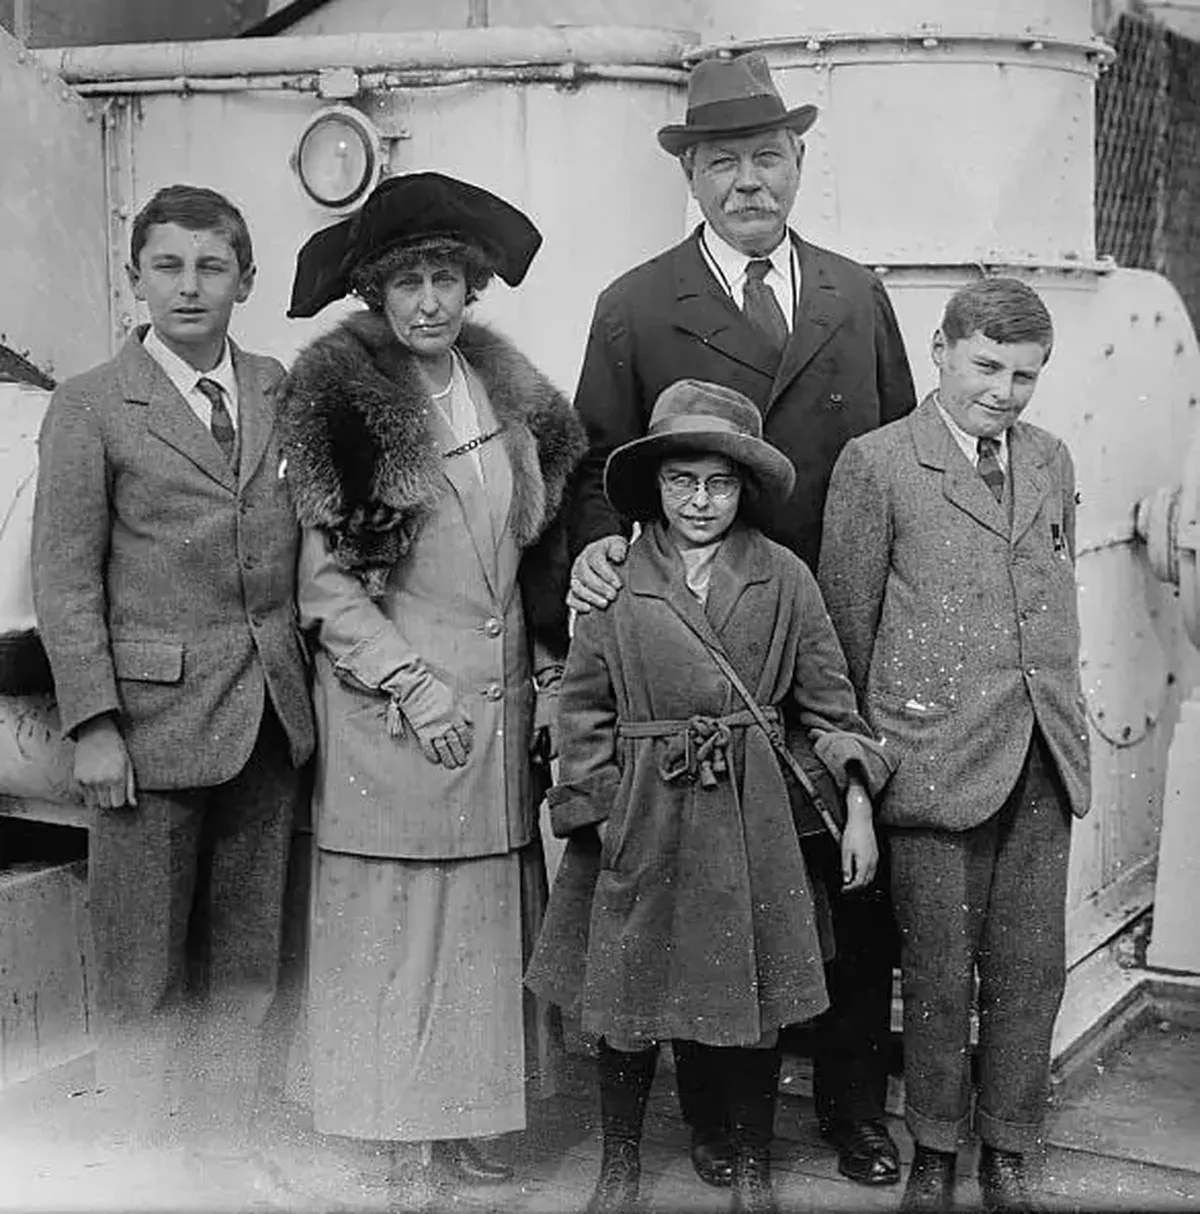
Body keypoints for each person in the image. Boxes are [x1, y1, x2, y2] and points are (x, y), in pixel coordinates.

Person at [566, 50, 917, 1189]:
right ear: (694, 177)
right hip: (695, 634)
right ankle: (719, 1116)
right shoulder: (633, 304)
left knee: (847, 885)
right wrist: (597, 561)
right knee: (717, 882)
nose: (750, 182)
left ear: (800, 161)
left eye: (769, 156)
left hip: (831, 624)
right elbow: (589, 476)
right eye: (725, 162)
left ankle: (855, 1105)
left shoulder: (857, 296)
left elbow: (902, 450)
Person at [277, 172, 586, 1203]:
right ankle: (386, 1128)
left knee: (476, 924)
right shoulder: (342, 396)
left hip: (496, 705)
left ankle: (460, 1123)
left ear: (474, 284)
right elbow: (324, 586)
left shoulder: (503, 390)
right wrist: (413, 683)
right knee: (395, 923)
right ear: (374, 290)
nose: (428, 301)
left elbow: (525, 552)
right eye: (406, 280)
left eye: (446, 277)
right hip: (398, 712)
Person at [527, 379, 895, 1214]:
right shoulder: (615, 581)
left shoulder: (783, 578)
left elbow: (831, 706)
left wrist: (859, 806)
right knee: (625, 1004)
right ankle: (619, 1168)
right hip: (640, 820)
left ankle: (755, 1171)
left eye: (719, 482)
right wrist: (601, 810)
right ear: (655, 484)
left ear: (745, 488)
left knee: (750, 1004)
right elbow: (584, 708)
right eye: (681, 480)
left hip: (749, 820)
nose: (699, 500)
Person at [31, 184, 316, 1135]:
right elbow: (66, 581)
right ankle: (143, 1164)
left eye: (211, 267)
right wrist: (96, 725)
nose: (189, 287)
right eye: (168, 266)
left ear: (245, 279)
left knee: (247, 969)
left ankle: (230, 1155)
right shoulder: (89, 406)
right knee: (141, 976)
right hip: (147, 734)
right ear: (135, 277)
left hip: (270, 721)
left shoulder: (280, 386)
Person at [818, 277, 1092, 1212]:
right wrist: (859, 782)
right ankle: (934, 1150)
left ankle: (1006, 1150)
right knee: (936, 976)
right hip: (931, 769)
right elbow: (844, 645)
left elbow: (1050, 601)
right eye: (987, 367)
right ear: (940, 350)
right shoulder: (878, 464)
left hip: (1041, 763)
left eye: (1025, 375)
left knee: (1031, 972)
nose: (1005, 392)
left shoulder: (1051, 460)